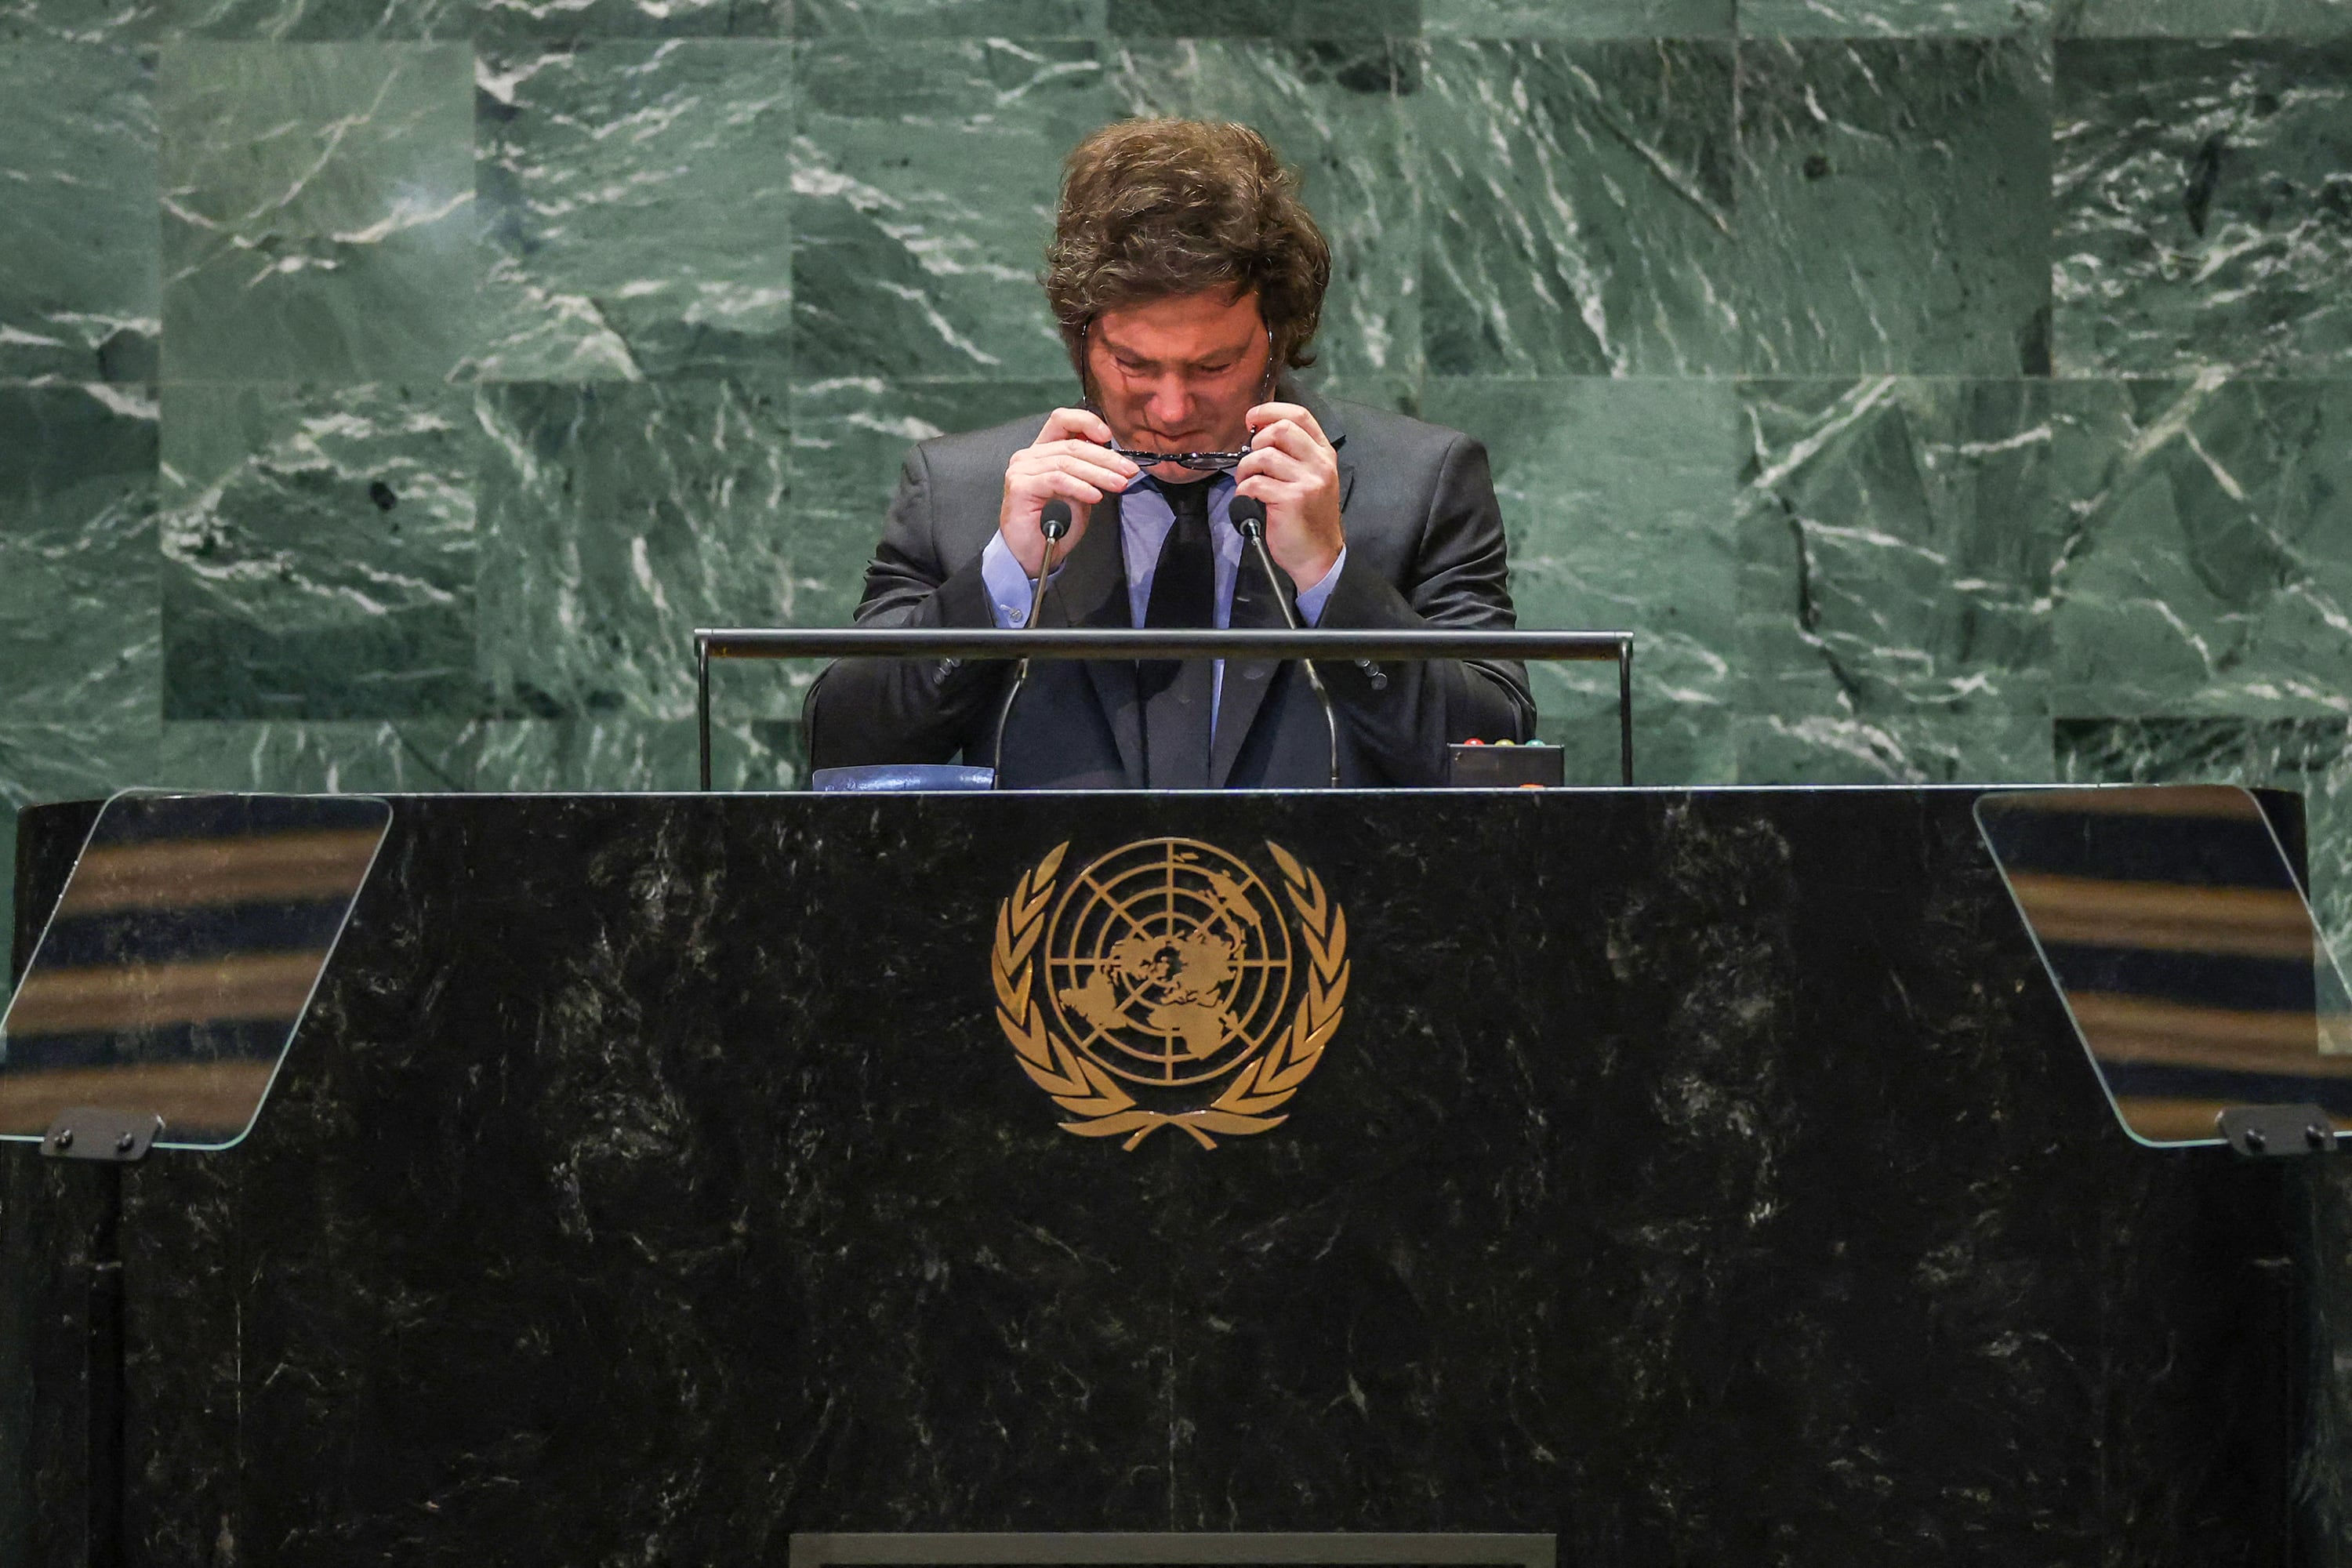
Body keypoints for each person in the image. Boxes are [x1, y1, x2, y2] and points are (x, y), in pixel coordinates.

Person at [804, 118, 1533, 789]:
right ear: (1082, 340)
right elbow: (843, 744)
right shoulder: (958, 490)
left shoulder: (1422, 482)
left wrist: (1329, 579)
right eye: (1135, 366)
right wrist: (1006, 577)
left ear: (1278, 339)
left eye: (1212, 368)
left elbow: (1494, 756)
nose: (1173, 409)